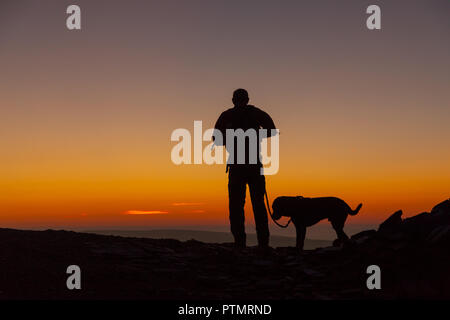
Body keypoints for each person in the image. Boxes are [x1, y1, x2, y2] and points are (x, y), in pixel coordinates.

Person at [213, 89, 277, 248]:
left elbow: (216, 139)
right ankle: (259, 243)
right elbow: (271, 131)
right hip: (249, 165)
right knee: (254, 205)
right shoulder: (254, 113)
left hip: (241, 166)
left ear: (233, 100)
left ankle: (243, 242)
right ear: (246, 99)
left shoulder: (227, 115)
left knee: (239, 205)